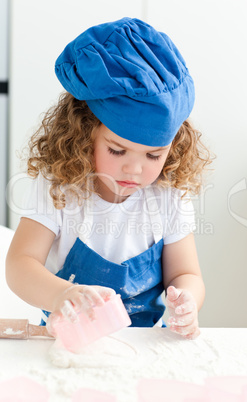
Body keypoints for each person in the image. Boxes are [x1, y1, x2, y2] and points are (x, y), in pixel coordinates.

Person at [6, 17, 211, 339]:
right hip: (66, 339)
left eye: (153, 155)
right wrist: (61, 295)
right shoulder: (60, 188)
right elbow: (20, 265)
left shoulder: (169, 196)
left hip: (143, 343)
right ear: (83, 135)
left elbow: (185, 273)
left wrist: (187, 300)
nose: (135, 169)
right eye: (117, 151)